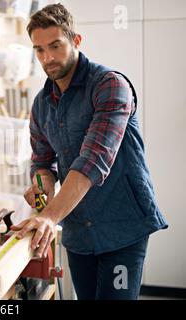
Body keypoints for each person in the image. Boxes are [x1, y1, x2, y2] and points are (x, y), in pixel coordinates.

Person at [11, 3, 168, 300]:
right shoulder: (42, 104)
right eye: (39, 50)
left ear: (76, 41)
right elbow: (43, 163)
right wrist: (42, 193)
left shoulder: (110, 85)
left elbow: (94, 160)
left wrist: (48, 217)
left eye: (55, 46)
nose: (48, 58)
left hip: (122, 229)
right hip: (78, 233)